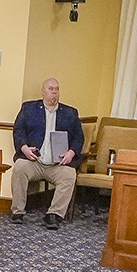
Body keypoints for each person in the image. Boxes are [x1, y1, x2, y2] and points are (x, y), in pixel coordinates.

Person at [8, 77, 85, 230]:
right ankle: (18, 211)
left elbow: (79, 137)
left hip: (58, 164)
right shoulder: (29, 109)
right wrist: (23, 148)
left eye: (57, 89)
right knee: (20, 167)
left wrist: (72, 152)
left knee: (69, 175)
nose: (54, 92)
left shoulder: (70, 113)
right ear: (43, 91)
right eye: (50, 89)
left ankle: (54, 215)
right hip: (34, 162)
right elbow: (18, 130)